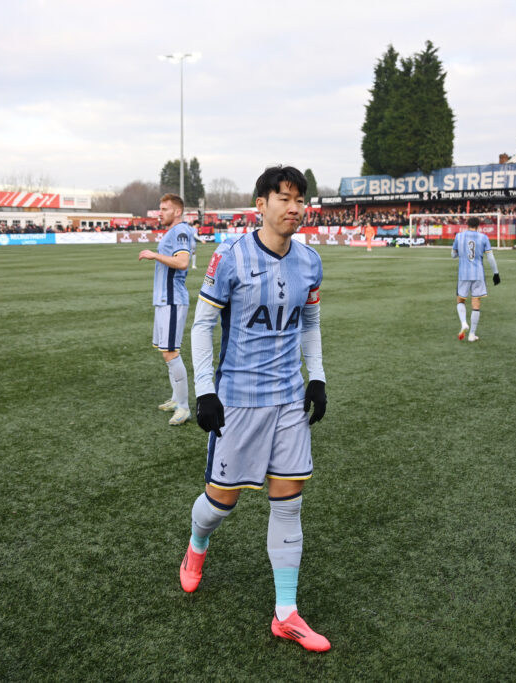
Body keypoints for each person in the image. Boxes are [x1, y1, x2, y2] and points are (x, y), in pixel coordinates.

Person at [182, 166, 330, 652]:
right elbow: (202, 326)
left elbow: (310, 323)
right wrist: (206, 390)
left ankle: (286, 614)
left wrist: (317, 377)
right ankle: (197, 544)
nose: (294, 208)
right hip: (239, 402)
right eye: (284, 198)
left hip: (289, 400)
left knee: (289, 502)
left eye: (300, 200)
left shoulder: (309, 261)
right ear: (260, 205)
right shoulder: (230, 257)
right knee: (219, 505)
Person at [138, 194, 194, 425]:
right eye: (159, 209)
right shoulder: (173, 231)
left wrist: (154, 255)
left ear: (177, 211)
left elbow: (182, 262)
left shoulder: (180, 231)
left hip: (172, 299)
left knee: (171, 352)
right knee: (167, 352)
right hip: (164, 299)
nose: (159, 213)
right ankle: (176, 398)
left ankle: (184, 407)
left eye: (164, 209)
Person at [451, 217, 500, 342]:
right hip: (478, 274)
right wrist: (496, 273)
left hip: (463, 274)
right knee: (476, 302)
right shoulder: (484, 237)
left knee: (460, 300)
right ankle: (472, 334)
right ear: (478, 226)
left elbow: (453, 255)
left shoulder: (459, 236)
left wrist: (461, 252)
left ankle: (463, 323)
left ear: (467, 225)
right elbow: (490, 257)